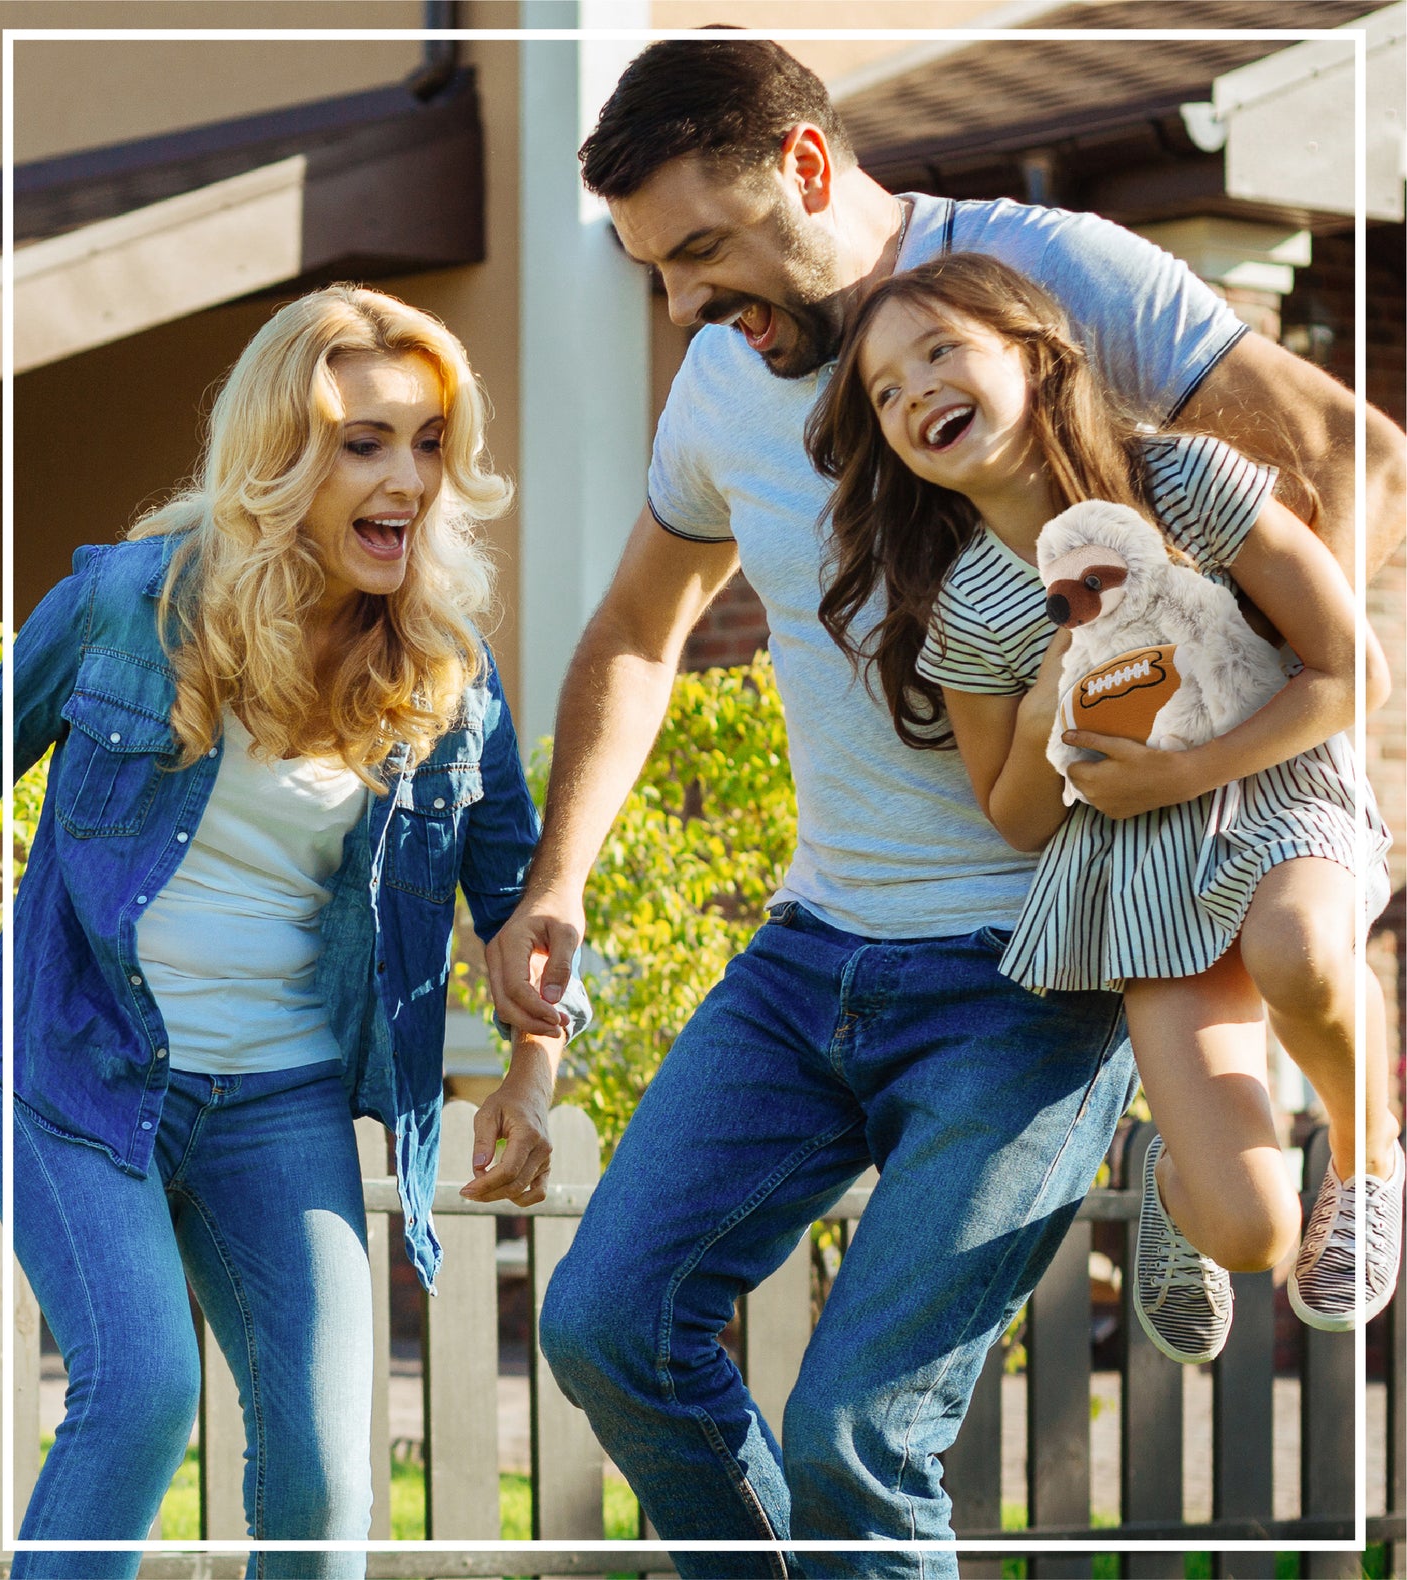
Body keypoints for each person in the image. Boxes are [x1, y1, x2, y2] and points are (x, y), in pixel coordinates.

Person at [482, 37, 1406, 1578]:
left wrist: (1217, 781)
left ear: (806, 166)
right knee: (606, 1326)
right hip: (813, 952)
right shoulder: (724, 380)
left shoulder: (1057, 275)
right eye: (656, 270)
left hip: (1031, 973)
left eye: (703, 249)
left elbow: (1342, 453)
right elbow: (641, 632)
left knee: (857, 1436)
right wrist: (558, 877)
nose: (685, 303)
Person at [0, 284, 588, 1580]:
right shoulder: (125, 607)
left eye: (428, 442)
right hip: (76, 1065)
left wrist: (531, 1077)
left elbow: (520, 908)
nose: (407, 478)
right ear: (281, 457)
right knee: (141, 1394)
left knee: (324, 1473)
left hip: (279, 1100)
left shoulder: (443, 670)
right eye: (365, 442)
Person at [806, 252, 1400, 1368]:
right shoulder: (970, 608)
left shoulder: (1182, 481)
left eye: (939, 351)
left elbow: (1348, 673)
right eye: (884, 391)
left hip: (1278, 796)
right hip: (1139, 871)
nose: (914, 390)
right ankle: (1177, 1186)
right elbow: (1018, 819)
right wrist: (1042, 705)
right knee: (1252, 1229)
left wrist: (1186, 768)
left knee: (1298, 946)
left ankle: (1368, 1157)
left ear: (1034, 355)